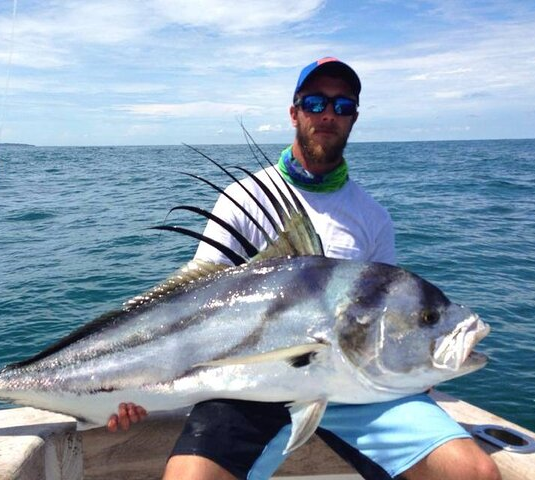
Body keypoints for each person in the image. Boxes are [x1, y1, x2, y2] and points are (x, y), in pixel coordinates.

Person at [108, 57, 501, 480]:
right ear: (294, 112)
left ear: (354, 118)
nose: (328, 114)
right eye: (315, 103)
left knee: (473, 473)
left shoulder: (372, 217)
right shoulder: (243, 198)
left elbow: (388, 320)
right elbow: (189, 304)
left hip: (361, 391)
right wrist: (132, 381)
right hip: (248, 389)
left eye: (342, 105)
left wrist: (417, 364)